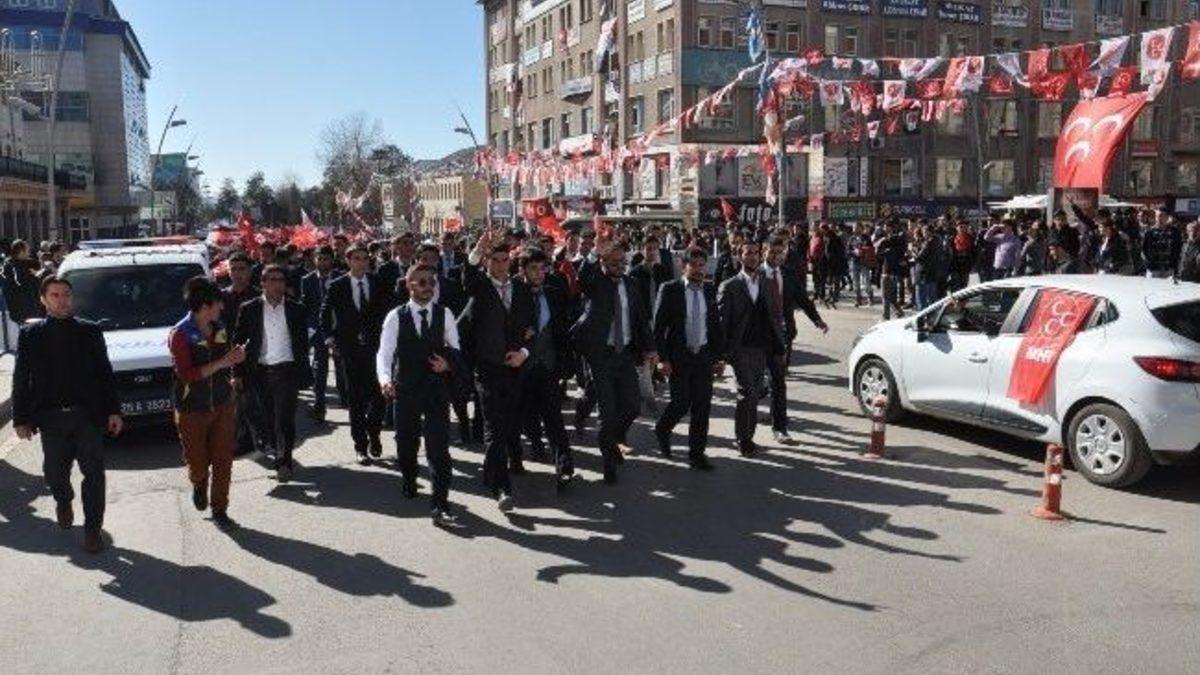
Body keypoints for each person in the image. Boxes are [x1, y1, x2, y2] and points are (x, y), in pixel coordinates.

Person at [12, 276, 122, 553]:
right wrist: (21, 418)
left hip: (87, 418)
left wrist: (114, 411)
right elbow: (21, 377)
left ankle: (92, 530)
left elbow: (105, 373)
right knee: (54, 473)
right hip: (51, 419)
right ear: (43, 299)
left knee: (94, 474)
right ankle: (64, 500)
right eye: (55, 295)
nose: (62, 300)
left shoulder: (89, 331)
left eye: (66, 295)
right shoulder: (31, 335)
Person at [377, 264, 463, 525]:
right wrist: (385, 380)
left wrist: (448, 364)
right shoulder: (396, 316)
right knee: (406, 443)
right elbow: (384, 353)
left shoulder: (445, 314)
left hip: (436, 390)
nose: (428, 287)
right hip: (406, 389)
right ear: (409, 285)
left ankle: (440, 503)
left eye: (431, 282)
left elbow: (456, 349)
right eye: (422, 282)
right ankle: (409, 477)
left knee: (438, 449)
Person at [458, 230, 534, 510]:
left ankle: (491, 472)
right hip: (487, 369)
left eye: (505, 260)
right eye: (495, 260)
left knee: (508, 426)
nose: (501, 265)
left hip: (515, 369)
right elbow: (467, 276)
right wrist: (476, 252)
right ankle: (503, 489)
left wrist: (523, 353)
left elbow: (532, 329)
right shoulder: (480, 287)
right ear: (488, 261)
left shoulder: (522, 290)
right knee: (494, 428)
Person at [573, 239, 656, 484]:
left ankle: (613, 439)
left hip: (625, 354)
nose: (620, 266)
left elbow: (640, 320)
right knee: (607, 413)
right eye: (614, 262)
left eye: (623, 261)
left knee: (632, 406)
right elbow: (582, 279)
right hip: (600, 355)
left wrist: (650, 348)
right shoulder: (596, 283)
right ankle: (609, 462)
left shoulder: (632, 284)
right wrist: (593, 253)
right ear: (603, 262)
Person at [169, 277, 246, 529]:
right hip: (192, 409)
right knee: (198, 463)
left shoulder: (219, 326)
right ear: (204, 306)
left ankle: (220, 510)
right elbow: (186, 374)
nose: (222, 307)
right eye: (218, 303)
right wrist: (222, 363)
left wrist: (235, 358)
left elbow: (226, 358)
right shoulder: (180, 334)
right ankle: (199, 482)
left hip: (222, 403)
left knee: (224, 460)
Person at [234, 264, 313, 483]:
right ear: (263, 283)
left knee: (284, 419)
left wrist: (304, 366)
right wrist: (237, 373)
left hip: (287, 370)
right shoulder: (249, 309)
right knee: (268, 417)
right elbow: (237, 343)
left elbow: (303, 341)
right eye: (272, 280)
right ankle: (273, 447)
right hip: (260, 371)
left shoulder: (296, 309)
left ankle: (284, 462)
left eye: (281, 280)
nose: (278, 284)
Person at [653, 247, 724, 470]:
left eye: (702, 265)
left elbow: (714, 326)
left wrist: (718, 357)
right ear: (683, 266)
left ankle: (697, 454)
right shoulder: (670, 289)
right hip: (679, 356)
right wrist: (662, 359)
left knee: (702, 407)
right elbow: (658, 328)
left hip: (702, 355)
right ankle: (663, 428)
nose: (699, 269)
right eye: (693, 265)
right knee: (681, 403)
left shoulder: (710, 290)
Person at [320, 244, 387, 464]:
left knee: (379, 396)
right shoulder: (337, 285)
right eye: (356, 258)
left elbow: (388, 312)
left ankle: (374, 433)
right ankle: (360, 446)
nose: (361, 262)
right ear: (348, 260)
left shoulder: (377, 282)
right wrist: (330, 339)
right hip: (349, 349)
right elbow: (325, 313)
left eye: (364, 258)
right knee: (355, 399)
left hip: (376, 349)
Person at [719, 241, 784, 457]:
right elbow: (722, 322)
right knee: (746, 392)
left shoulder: (765, 283)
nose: (753, 257)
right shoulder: (730, 286)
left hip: (760, 348)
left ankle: (749, 436)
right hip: (740, 348)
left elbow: (773, 315)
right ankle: (743, 439)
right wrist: (721, 355)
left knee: (755, 393)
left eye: (756, 253)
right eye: (748, 253)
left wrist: (778, 343)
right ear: (740, 257)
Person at [516, 248, 575, 487]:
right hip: (521, 367)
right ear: (523, 270)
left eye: (542, 268)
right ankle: (535, 444)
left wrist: (564, 362)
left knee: (554, 416)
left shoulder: (553, 293)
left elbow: (562, 328)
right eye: (533, 269)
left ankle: (564, 464)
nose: (539, 273)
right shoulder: (514, 293)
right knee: (526, 415)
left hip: (548, 365)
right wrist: (519, 333)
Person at [762, 237, 828, 442]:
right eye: (772, 252)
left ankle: (779, 427)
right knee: (754, 385)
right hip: (757, 337)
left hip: (781, 336)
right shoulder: (755, 274)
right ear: (764, 251)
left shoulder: (788, 274)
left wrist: (817, 320)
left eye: (780, 252)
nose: (776, 256)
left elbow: (803, 299)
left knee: (778, 382)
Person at [221, 253, 260, 454]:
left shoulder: (259, 296)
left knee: (254, 401)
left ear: (250, 271)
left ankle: (259, 438)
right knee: (236, 402)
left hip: (255, 357)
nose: (237, 273)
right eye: (233, 269)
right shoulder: (221, 298)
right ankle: (244, 440)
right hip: (228, 357)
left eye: (241, 269)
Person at [300, 246, 344, 422]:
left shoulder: (340, 277)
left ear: (332, 260)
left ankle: (345, 396)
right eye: (320, 258)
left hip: (338, 328)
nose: (323, 262)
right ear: (315, 260)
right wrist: (309, 328)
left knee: (341, 364)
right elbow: (306, 305)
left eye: (326, 259)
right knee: (320, 367)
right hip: (318, 330)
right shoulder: (307, 280)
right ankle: (319, 404)